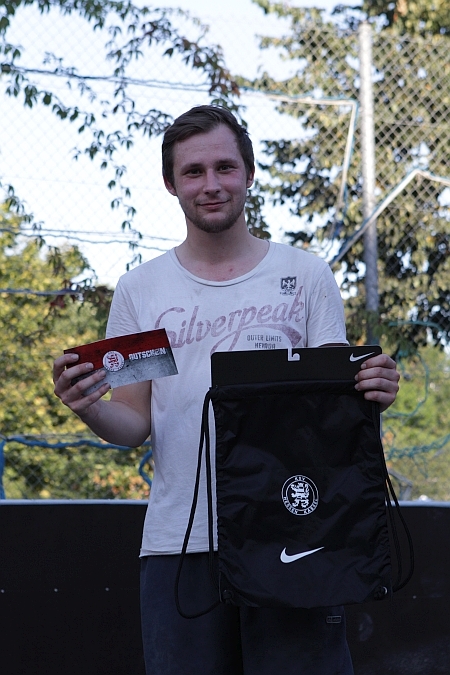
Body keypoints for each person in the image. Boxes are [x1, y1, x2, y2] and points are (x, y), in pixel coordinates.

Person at [53, 105, 400, 675]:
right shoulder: (141, 288)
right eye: (193, 172)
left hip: (294, 532)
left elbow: (335, 409)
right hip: (180, 543)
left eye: (224, 167)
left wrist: (374, 387)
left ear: (249, 173)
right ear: (171, 184)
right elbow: (133, 423)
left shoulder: (306, 275)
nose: (210, 184)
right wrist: (87, 406)